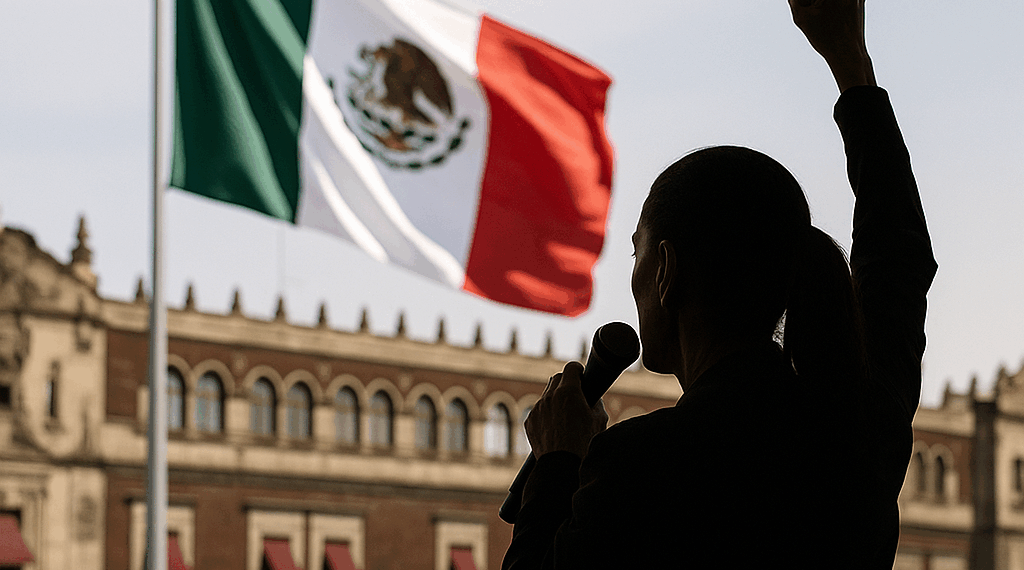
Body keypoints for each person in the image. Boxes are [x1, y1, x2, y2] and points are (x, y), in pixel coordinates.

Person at [501, 0, 937, 568]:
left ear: (666, 271)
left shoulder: (644, 467)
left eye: (636, 253)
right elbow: (896, 259)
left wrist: (558, 464)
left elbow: (900, 258)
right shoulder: (857, 433)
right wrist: (853, 65)